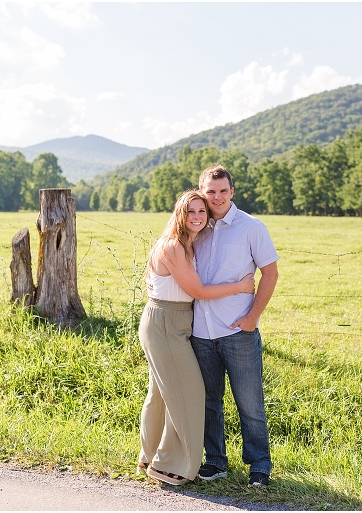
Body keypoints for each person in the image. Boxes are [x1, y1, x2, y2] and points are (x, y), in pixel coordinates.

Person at [137, 189, 255, 486]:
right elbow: (199, 292)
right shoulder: (174, 246)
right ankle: (169, 466)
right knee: (189, 394)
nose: (198, 217)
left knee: (161, 396)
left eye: (202, 211)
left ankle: (149, 456)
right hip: (165, 324)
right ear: (181, 214)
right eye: (192, 211)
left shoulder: (190, 243)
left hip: (171, 322)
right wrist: (240, 287)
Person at [190, 165, 279, 487]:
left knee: (250, 403)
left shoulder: (250, 227)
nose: (217, 197)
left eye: (223, 191)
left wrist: (252, 318)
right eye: (210, 191)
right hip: (201, 332)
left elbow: (270, 273)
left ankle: (260, 465)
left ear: (232, 192)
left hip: (238, 332)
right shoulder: (195, 225)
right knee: (209, 403)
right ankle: (215, 462)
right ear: (202, 191)